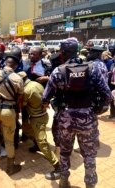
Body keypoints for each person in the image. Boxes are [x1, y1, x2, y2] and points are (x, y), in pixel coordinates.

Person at [42, 38, 113, 187]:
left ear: (62, 53)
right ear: (78, 51)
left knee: (65, 152)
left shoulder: (58, 71)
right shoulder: (93, 68)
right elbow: (108, 95)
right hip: (88, 120)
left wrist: (51, 105)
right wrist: (97, 109)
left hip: (65, 120)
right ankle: (90, 184)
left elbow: (45, 98)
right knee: (89, 155)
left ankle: (63, 181)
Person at [18, 71, 60, 180]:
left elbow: (23, 105)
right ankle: (36, 144)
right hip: (43, 115)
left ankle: (57, 166)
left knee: (43, 143)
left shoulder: (26, 90)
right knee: (26, 130)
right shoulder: (36, 84)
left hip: (37, 119)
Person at [0, 54, 23, 175]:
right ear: (15, 65)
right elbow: (19, 98)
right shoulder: (18, 78)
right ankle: (10, 167)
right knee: (9, 140)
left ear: (5, 63)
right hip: (8, 110)